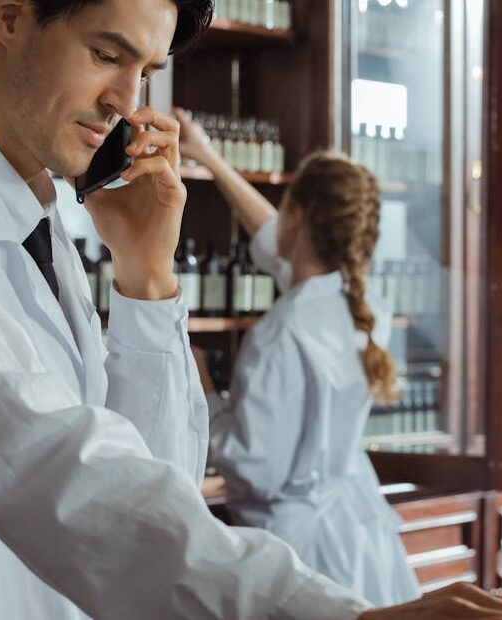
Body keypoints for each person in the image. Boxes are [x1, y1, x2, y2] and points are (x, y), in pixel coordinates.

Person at [0, 0, 502, 618]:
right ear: (10, 13)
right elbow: (47, 463)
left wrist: (147, 277)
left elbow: (157, 480)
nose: (124, 104)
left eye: (146, 73)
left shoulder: (47, 232)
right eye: (107, 55)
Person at [178, 113, 421, 606]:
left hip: (299, 546)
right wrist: (206, 156)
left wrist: (205, 390)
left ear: (301, 216)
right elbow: (272, 237)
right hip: (359, 531)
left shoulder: (282, 331)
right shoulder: (364, 306)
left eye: (285, 204)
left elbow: (256, 466)